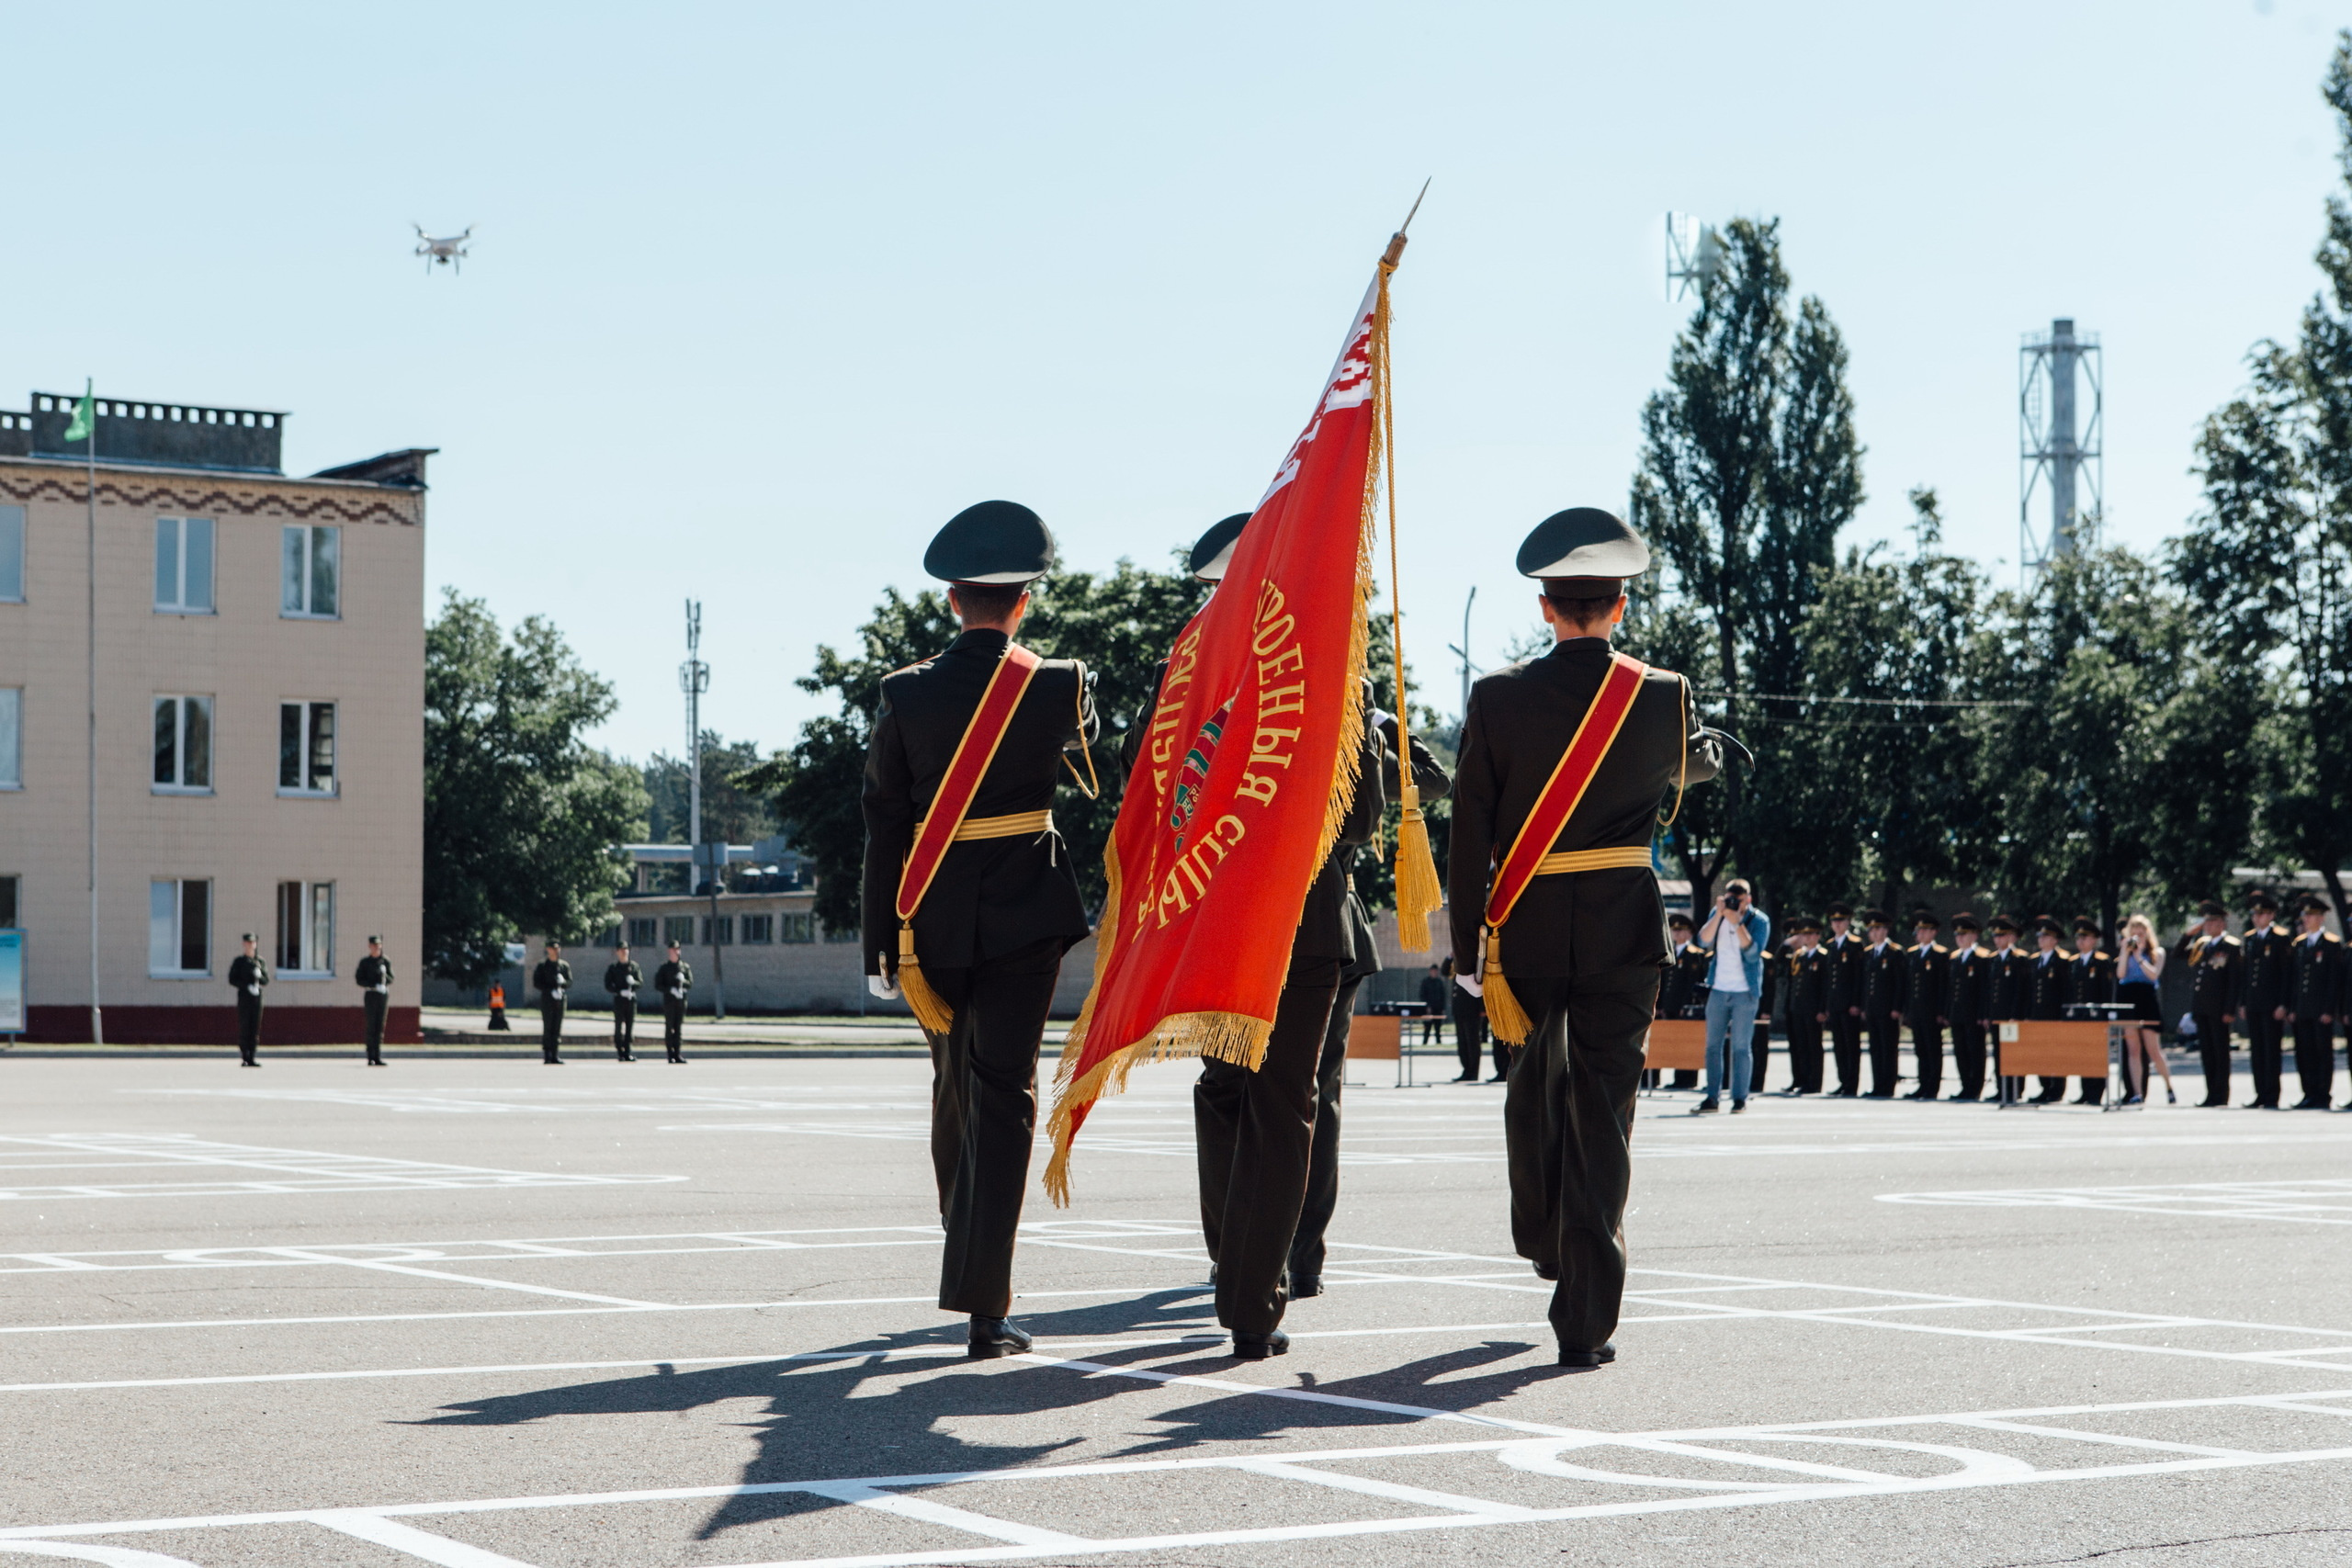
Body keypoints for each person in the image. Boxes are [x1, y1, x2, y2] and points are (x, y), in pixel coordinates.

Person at [1447, 506, 1722, 1369]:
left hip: (1524, 926)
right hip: (1623, 931)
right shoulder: (1663, 694)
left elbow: (1468, 832)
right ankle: (1587, 1318)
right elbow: (1686, 766)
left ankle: (1543, 1234)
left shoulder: (1496, 697)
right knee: (1605, 1113)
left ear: (1545, 609)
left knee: (1532, 1094)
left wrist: (1466, 947)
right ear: (1621, 606)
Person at [861, 500, 1097, 1359]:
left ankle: (968, 1258)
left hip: (929, 920)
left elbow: (884, 820)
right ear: (1023, 601)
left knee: (953, 1090)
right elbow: (1085, 750)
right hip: (1026, 914)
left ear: (952, 600)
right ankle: (984, 1304)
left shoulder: (905, 693)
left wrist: (879, 943)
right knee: (1003, 1096)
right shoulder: (1059, 682)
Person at [1290, 712, 1452, 1303]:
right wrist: (1377, 724)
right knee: (1311, 1095)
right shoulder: (1353, 721)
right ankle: (1295, 1255)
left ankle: (1257, 1249)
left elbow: (1435, 781)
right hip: (1321, 921)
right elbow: (1432, 778)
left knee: (1253, 1091)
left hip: (1278, 917)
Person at [1694, 880, 1768, 1114]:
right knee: (1712, 1046)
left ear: (1749, 899)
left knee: (1741, 1047)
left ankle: (1739, 1099)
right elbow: (1703, 940)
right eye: (1730, 898)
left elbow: (1753, 954)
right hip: (1718, 988)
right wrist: (1719, 914)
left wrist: (1737, 923)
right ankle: (1712, 1098)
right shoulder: (1719, 913)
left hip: (1745, 991)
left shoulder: (1759, 921)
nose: (1735, 902)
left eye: (1739, 899)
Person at [2173, 901, 2239, 1108]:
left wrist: (2229, 1009)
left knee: (2220, 1053)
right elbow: (2178, 954)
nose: (2207, 926)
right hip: (2201, 1007)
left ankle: (2221, 1095)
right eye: (2205, 922)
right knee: (2207, 1053)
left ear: (2221, 923)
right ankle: (2211, 1094)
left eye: (2211, 921)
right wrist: (2188, 934)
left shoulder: (2230, 946)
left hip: (2219, 1009)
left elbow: (2233, 981)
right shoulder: (2202, 944)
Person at [2288, 896, 2344, 1111]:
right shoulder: (2300, 943)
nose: (2306, 919)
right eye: (2305, 916)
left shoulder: (2331, 943)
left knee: (2322, 1052)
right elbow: (2295, 979)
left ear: (2321, 918)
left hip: (2321, 1009)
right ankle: (2308, 1093)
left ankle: (2322, 1093)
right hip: (2303, 1008)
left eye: (2311, 916)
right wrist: (2293, 1007)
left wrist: (2329, 1009)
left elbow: (2333, 980)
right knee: (2304, 1052)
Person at [2239, 890, 2293, 1110]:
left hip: (2272, 1004)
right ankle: (2260, 1093)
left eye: (2261, 913)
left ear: (2271, 915)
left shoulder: (2280, 938)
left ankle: (2272, 1095)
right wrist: (2243, 1002)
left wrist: (2283, 1003)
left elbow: (2286, 974)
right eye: (2254, 913)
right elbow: (2246, 973)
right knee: (2257, 1050)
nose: (2256, 917)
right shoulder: (2250, 938)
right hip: (2254, 1002)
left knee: (2271, 1050)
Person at [2115, 913, 2169, 1105]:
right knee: (2133, 1050)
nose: (2138, 937)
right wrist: (2125, 951)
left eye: (2141, 933)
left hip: (2147, 999)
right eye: (2134, 933)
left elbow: (2153, 975)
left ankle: (2168, 1086)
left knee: (2153, 1050)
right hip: (2128, 999)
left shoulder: (2157, 952)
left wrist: (2139, 957)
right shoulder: (2126, 951)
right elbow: (2120, 974)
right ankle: (2137, 1092)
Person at [2064, 917, 2113, 1106]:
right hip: (2078, 1016)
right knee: (2081, 1054)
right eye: (2078, 938)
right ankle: (2085, 1091)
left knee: (2096, 1054)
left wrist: (2106, 1015)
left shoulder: (2102, 961)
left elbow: (2107, 991)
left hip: (2096, 1016)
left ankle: (2096, 1093)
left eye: (2085, 938)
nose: (2081, 941)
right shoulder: (2073, 962)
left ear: (2094, 940)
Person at [1779, 917, 1828, 1096]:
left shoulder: (1823, 956)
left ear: (1817, 935)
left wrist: (1822, 1009)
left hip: (1813, 1009)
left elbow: (1824, 985)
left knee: (1813, 1046)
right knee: (1800, 1046)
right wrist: (1786, 944)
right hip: (1798, 1007)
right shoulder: (1799, 956)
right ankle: (1801, 1079)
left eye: (1810, 934)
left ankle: (1814, 1082)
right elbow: (1779, 962)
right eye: (1804, 934)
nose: (1806, 937)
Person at [1858, 909, 1905, 1099]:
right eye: (1871, 930)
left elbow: (1900, 983)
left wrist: (1897, 1007)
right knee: (1875, 1047)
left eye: (1877, 929)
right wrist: (1864, 1006)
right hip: (1872, 1008)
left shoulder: (1895, 952)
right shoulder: (1868, 953)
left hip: (1888, 1009)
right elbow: (1865, 982)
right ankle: (1877, 1084)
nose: (1874, 933)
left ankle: (1888, 1085)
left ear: (1885, 930)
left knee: (1888, 1048)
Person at [1944, 913, 1992, 1101]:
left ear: (1974, 935)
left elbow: (1985, 989)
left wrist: (1983, 1014)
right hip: (1957, 1013)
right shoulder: (1955, 958)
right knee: (1960, 1051)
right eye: (1957, 934)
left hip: (1974, 1015)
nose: (1960, 938)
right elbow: (1950, 989)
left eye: (1963, 934)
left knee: (1975, 1051)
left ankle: (1975, 1088)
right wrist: (1948, 1012)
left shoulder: (1982, 958)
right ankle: (1965, 1086)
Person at [1902, 911, 1949, 1100]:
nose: (1919, 934)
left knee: (1933, 1050)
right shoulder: (1913, 954)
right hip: (1917, 1010)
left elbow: (1943, 986)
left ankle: (1932, 1086)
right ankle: (1922, 1084)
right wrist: (1907, 1010)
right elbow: (1909, 985)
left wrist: (1941, 1011)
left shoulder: (1940, 955)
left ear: (1933, 932)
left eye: (1924, 930)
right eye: (1918, 930)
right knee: (1920, 1049)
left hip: (1932, 1011)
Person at [2025, 917, 2070, 1103]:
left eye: (2045, 936)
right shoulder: (2034, 960)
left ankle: (2057, 1089)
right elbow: (2029, 990)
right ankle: (2044, 1087)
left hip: (2055, 1015)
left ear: (2054, 939)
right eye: (2039, 936)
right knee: (2039, 1053)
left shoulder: (2062, 960)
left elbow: (2066, 991)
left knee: (2056, 1053)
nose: (2041, 939)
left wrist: (2063, 1016)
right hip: (2038, 1015)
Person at [1823, 903, 1866, 1097]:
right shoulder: (1830, 945)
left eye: (1841, 921)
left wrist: (1856, 1002)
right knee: (1839, 1044)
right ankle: (1842, 1081)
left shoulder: (1855, 944)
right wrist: (1827, 1004)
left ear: (1848, 922)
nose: (1837, 924)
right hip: (1835, 1003)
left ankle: (1851, 1083)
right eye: (1834, 921)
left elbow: (1858, 976)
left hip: (1849, 1004)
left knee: (1851, 1045)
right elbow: (1828, 978)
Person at [1986, 914, 2030, 1102]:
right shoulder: (1993, 959)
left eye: (2001, 935)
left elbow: (2021, 991)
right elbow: (1989, 990)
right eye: (1995, 936)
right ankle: (2001, 1088)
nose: (1997, 939)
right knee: (1998, 1053)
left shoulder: (2019, 959)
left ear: (2011, 937)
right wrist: (1987, 1014)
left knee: (2015, 1053)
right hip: (1996, 1015)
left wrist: (2017, 1015)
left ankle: (2016, 1089)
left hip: (2012, 1016)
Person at [227, 934, 269, 1068]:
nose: (250, 945)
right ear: (244, 944)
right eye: (248, 942)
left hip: (257, 998)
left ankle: (252, 1057)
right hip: (244, 998)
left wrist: (260, 976)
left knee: (255, 1028)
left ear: (255, 944)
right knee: (245, 1027)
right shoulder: (239, 962)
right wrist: (246, 986)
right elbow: (232, 979)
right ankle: (245, 1057)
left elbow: (266, 980)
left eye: (252, 942)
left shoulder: (260, 961)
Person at [354, 936, 392, 1067]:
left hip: (382, 995)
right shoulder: (365, 962)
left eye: (378, 945)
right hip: (371, 994)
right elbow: (359, 979)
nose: (376, 948)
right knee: (371, 1025)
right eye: (374, 945)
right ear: (370, 946)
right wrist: (372, 984)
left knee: (380, 1026)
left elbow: (391, 977)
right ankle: (370, 1056)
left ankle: (378, 1056)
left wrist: (384, 979)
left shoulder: (385, 961)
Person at [531, 942, 571, 1066]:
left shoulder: (564, 966)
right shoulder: (543, 965)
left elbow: (569, 981)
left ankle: (555, 1054)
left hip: (560, 999)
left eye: (557, 948)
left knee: (557, 1027)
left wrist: (563, 983)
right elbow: (537, 982)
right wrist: (549, 990)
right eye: (553, 948)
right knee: (548, 1026)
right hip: (548, 999)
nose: (556, 951)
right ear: (548, 949)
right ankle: (547, 1054)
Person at [654, 942, 694, 1063]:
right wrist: (670, 990)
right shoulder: (664, 967)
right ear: (669, 951)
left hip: (681, 1002)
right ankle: (670, 1054)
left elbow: (690, 983)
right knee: (669, 1027)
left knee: (678, 1028)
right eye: (673, 949)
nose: (676, 952)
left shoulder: (684, 967)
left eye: (677, 949)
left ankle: (677, 1054)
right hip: (669, 1001)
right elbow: (658, 985)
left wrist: (683, 981)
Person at [605, 942, 643, 1063]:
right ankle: (620, 1051)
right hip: (619, 999)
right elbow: (608, 984)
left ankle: (627, 1052)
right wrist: (619, 991)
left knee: (629, 1026)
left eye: (626, 949)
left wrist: (634, 983)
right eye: (621, 950)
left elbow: (640, 982)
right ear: (617, 952)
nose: (624, 952)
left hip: (631, 999)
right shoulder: (614, 968)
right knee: (618, 1026)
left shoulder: (634, 966)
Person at [1419, 964, 1452, 1055]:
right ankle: (1425, 1042)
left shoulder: (1439, 982)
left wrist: (1443, 1008)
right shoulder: (1425, 982)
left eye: (1436, 971)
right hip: (1428, 1010)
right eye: (1433, 971)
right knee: (1427, 1028)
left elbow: (1443, 996)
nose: (1434, 973)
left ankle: (1438, 1042)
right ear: (1430, 971)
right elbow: (1422, 995)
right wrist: (1427, 1007)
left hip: (1438, 1009)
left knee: (1438, 1028)